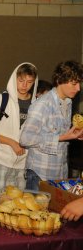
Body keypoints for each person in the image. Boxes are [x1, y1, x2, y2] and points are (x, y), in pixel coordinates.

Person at [20, 60, 83, 191]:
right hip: (40, 175)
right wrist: (62, 137)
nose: (78, 88)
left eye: (79, 83)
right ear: (60, 80)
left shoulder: (67, 102)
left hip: (59, 173)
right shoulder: (42, 104)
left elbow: (61, 133)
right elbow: (25, 139)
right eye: (74, 84)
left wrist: (74, 134)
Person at [0, 63, 38, 201]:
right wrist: (11, 142)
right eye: (21, 80)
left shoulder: (37, 105)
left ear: (34, 82)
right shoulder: (0, 100)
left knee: (16, 207)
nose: (24, 85)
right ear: (14, 79)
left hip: (23, 164)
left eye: (29, 82)